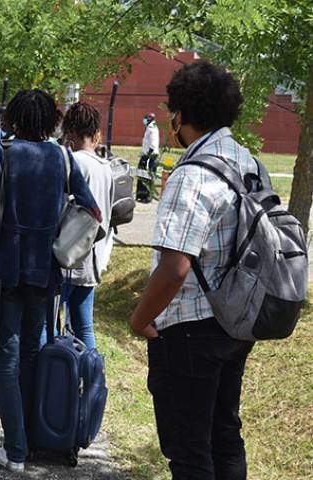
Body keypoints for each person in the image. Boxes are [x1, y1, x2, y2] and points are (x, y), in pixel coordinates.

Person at [0, 89, 101, 473]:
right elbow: (92, 208)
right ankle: (31, 440)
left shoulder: (1, 151)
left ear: (15, 118)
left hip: (6, 270)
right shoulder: (62, 156)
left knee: (9, 355)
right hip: (46, 270)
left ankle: (15, 448)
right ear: (51, 121)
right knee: (33, 352)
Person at [129, 60, 257, 480]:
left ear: (180, 114)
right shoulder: (247, 162)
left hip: (189, 329)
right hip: (235, 321)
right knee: (225, 437)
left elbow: (174, 267)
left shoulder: (191, 173)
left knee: (189, 452)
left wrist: (140, 319)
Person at [57, 102, 115, 350]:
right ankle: (92, 372)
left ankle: (53, 370)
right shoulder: (105, 166)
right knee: (84, 327)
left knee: (49, 321)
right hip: (93, 258)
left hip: (68, 256)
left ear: (70, 130)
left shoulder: (72, 161)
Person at [136, 112, 159, 203]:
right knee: (143, 174)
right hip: (148, 154)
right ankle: (142, 195)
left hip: (149, 155)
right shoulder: (150, 127)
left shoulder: (151, 128)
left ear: (150, 119)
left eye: (146, 118)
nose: (144, 119)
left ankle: (146, 196)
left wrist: (149, 152)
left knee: (146, 175)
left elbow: (153, 141)